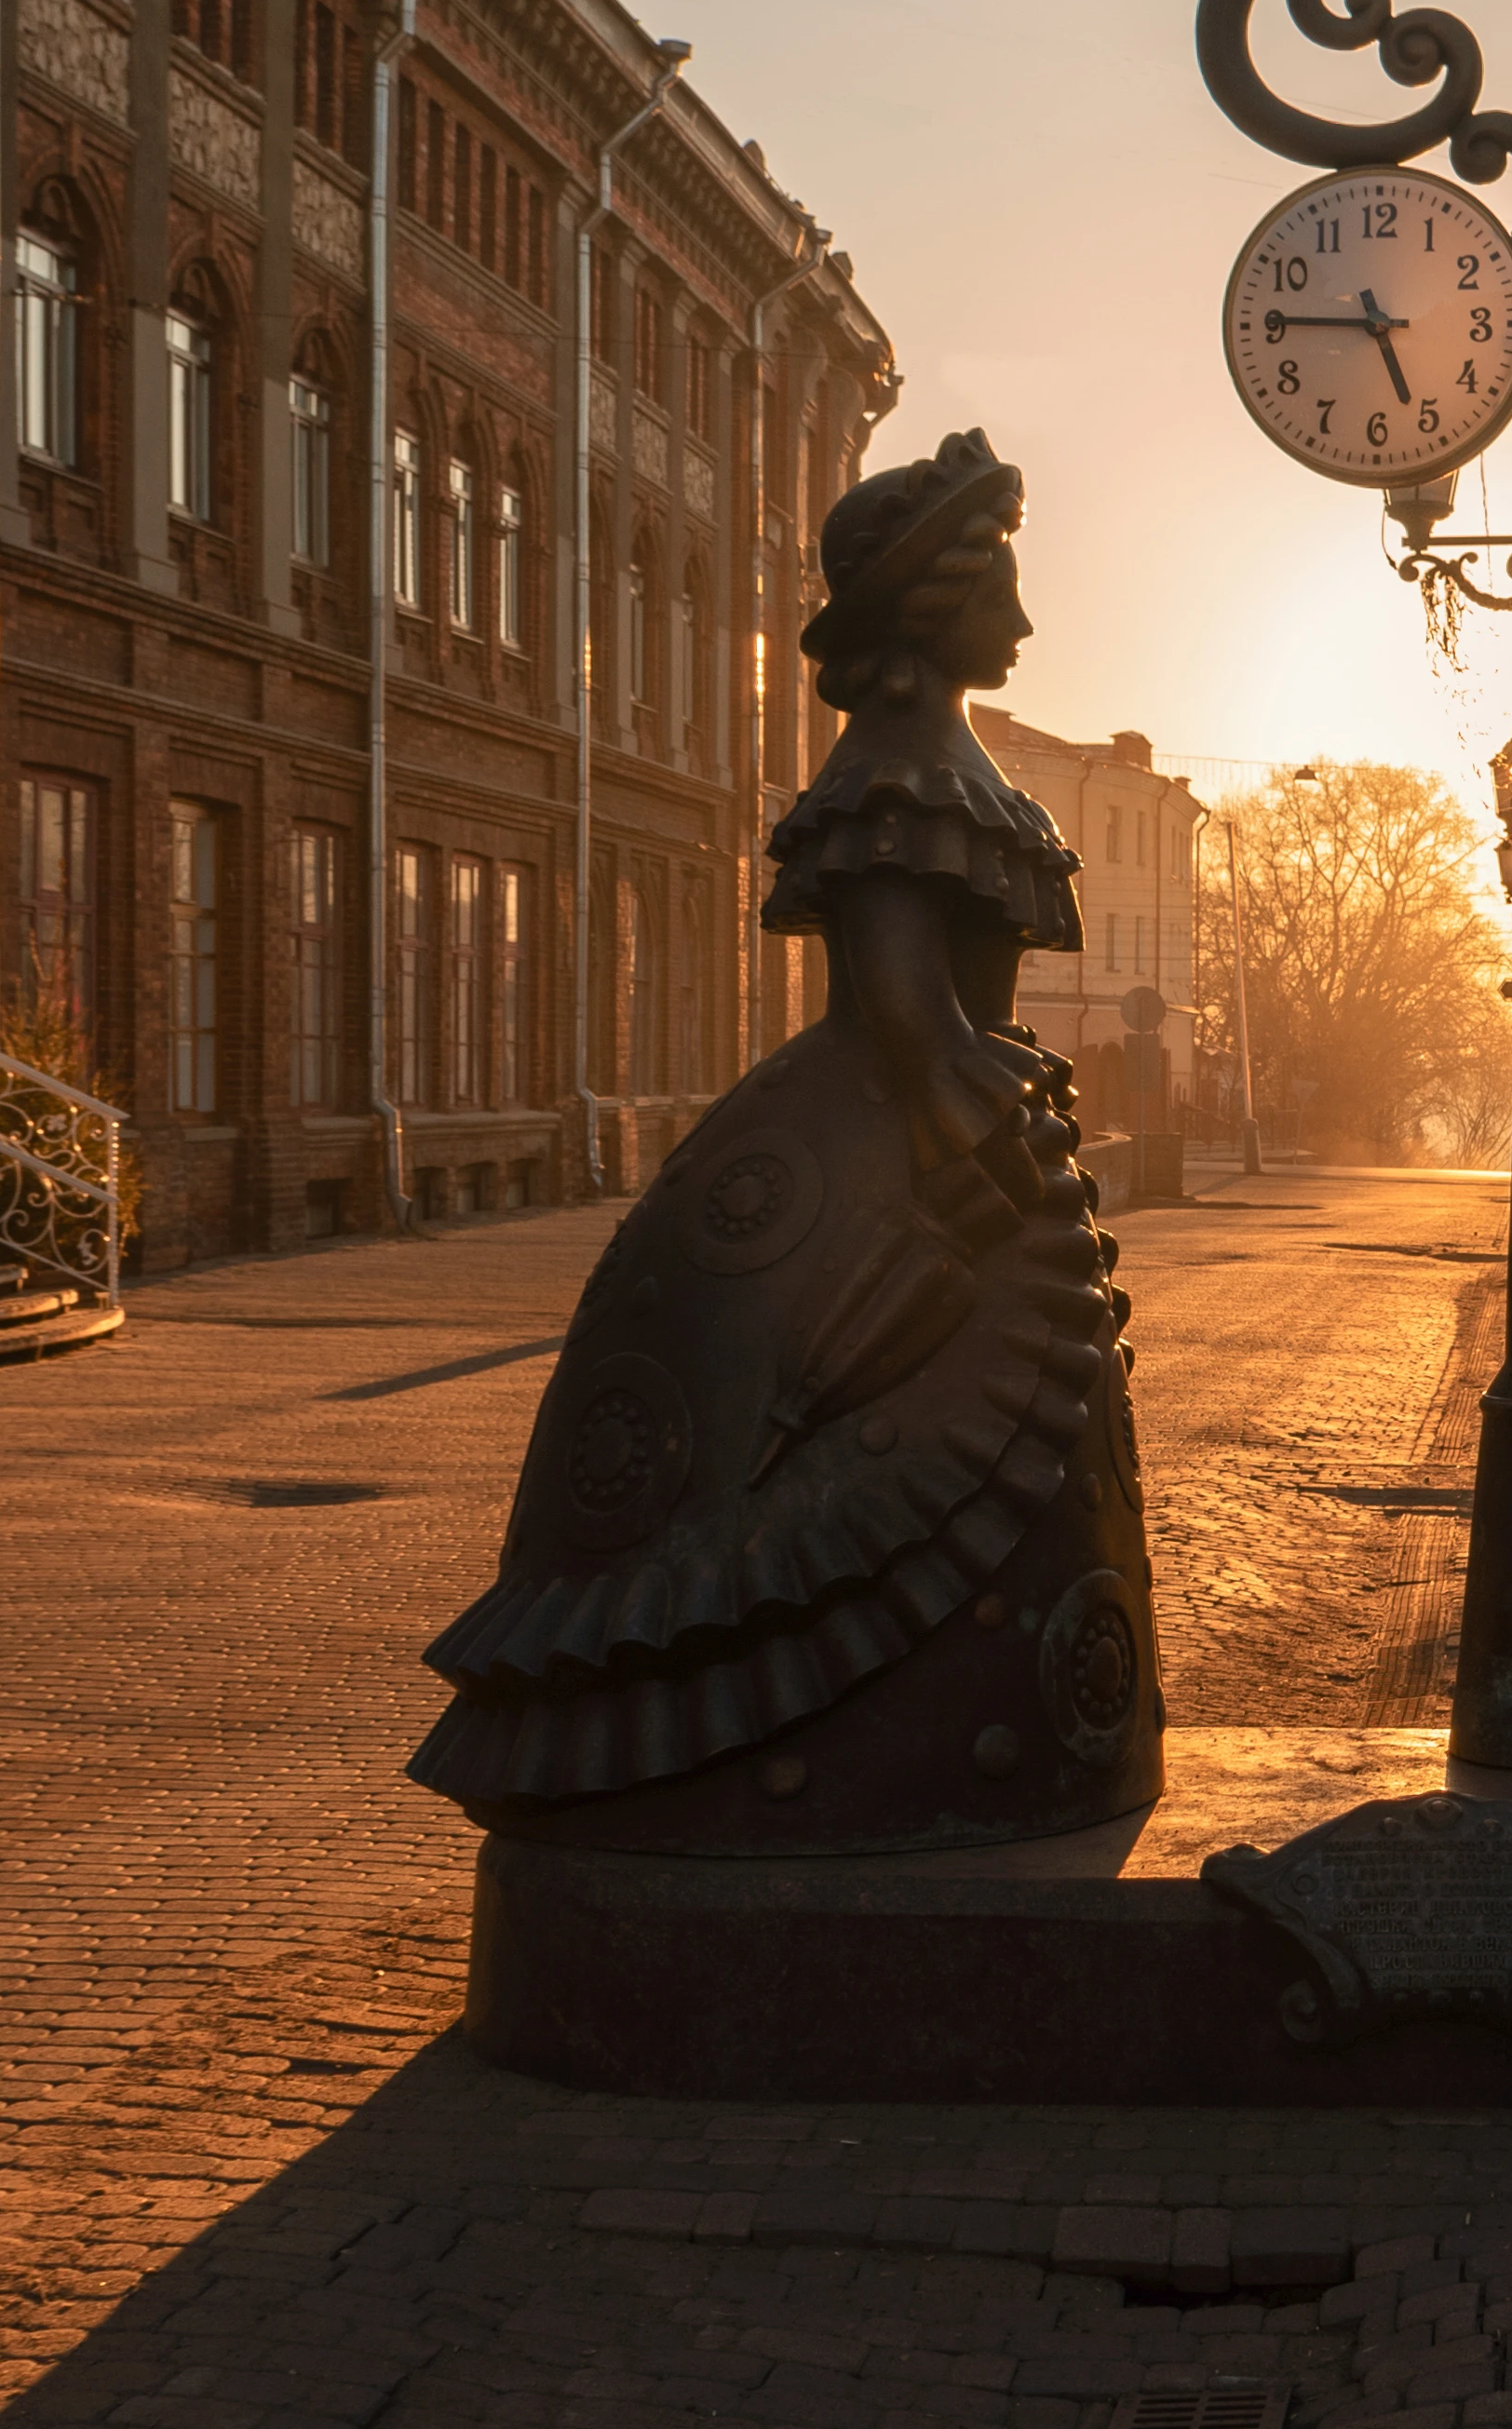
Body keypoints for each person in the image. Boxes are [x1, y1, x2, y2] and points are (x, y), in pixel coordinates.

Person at [409, 429, 1162, 1853]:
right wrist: (981, 1130)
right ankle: (817, 1758)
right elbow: (911, 1016)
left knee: (1000, 1449)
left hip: (947, 1134)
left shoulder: (948, 760)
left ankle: (973, 1758)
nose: (1021, 612)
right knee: (851, 1455)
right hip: (903, 1152)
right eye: (995, 582)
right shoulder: (894, 773)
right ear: (930, 609)